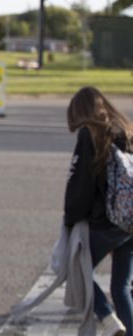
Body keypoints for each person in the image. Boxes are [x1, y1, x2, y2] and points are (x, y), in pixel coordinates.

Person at [64, 86, 133, 336]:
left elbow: (80, 184)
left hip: (105, 221)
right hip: (130, 220)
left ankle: (107, 317)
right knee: (121, 287)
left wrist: (71, 220)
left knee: (77, 271)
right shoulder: (126, 129)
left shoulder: (90, 134)